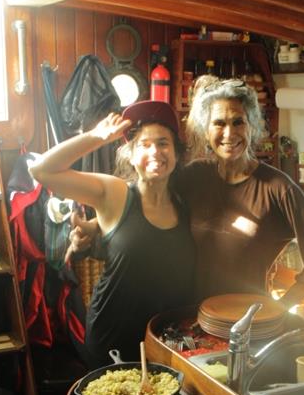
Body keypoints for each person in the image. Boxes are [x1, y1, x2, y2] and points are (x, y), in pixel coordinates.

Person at [30, 101, 196, 368]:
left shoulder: (186, 202)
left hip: (169, 340)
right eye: (144, 144)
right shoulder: (115, 193)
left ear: (176, 153)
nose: (155, 151)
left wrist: (95, 227)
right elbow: (41, 170)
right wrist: (97, 137)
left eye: (164, 143)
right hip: (114, 337)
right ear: (130, 154)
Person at [175, 75, 304, 308]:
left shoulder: (277, 187)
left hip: (249, 326)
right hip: (194, 317)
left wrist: (282, 307)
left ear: (252, 127)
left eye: (238, 122)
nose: (229, 133)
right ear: (206, 131)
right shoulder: (194, 176)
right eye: (219, 123)